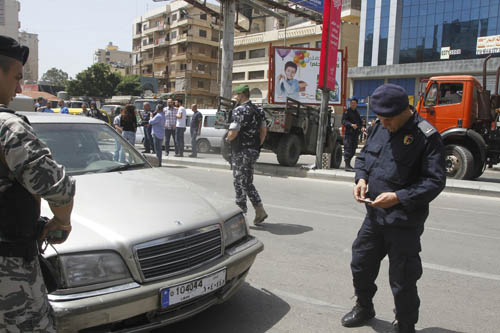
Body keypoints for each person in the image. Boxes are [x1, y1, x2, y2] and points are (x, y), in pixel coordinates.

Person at [341, 84, 446, 333]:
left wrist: (399, 196)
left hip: (404, 220)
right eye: (380, 118)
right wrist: (361, 179)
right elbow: (365, 156)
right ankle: (364, 306)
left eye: (388, 119)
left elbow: (435, 181)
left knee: (403, 277)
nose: (384, 123)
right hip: (375, 215)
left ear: (404, 111)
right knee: (361, 262)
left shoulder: (426, 136)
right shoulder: (380, 126)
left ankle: (405, 324)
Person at [0, 35, 75, 332]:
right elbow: (58, 187)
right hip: (10, 275)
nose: (19, 87)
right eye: (16, 77)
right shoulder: (8, 127)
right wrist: (62, 221)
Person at [226, 84, 268, 225]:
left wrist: (227, 139)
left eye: (236, 95)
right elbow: (263, 131)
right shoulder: (258, 110)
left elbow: (233, 133)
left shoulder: (239, 110)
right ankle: (259, 210)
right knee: (247, 182)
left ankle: (241, 216)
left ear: (242, 95)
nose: (235, 98)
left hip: (241, 150)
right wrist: (257, 146)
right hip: (253, 150)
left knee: (239, 181)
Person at [342, 97, 362, 172]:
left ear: (356, 104)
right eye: (351, 103)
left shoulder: (357, 113)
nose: (353, 104)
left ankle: (349, 164)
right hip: (349, 134)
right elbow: (343, 121)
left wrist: (360, 127)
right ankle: (347, 165)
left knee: (353, 150)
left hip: (355, 134)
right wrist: (351, 124)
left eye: (354, 103)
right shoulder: (347, 112)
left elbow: (360, 123)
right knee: (348, 149)